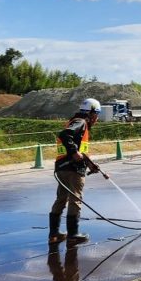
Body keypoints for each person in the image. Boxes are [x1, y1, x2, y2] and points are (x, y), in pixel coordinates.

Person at [49, 98, 103, 245]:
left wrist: (90, 164)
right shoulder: (81, 122)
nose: (97, 118)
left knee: (61, 199)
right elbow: (65, 134)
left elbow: (81, 151)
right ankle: (73, 235)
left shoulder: (75, 122)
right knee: (75, 200)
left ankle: (54, 234)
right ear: (91, 113)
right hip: (73, 169)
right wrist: (74, 153)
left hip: (61, 168)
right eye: (97, 114)